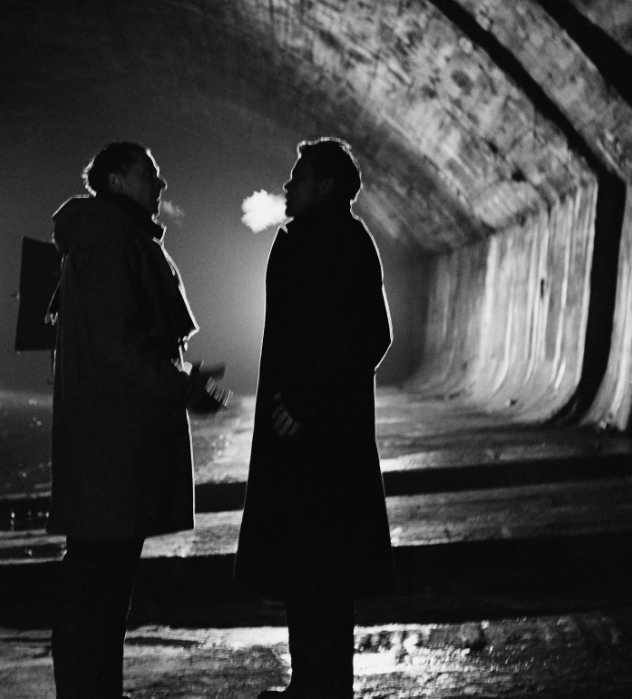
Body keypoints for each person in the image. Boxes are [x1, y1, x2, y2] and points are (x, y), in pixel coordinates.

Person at [47, 141, 222, 699]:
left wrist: (183, 376)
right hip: (111, 445)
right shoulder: (108, 236)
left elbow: (127, 338)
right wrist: (182, 386)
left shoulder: (114, 233)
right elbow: (119, 345)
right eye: (151, 173)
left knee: (101, 584)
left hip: (115, 441)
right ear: (118, 178)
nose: (160, 184)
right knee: (96, 586)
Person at [235, 138, 396, 699]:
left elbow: (364, 336)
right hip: (315, 432)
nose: (288, 185)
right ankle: (315, 684)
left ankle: (322, 688)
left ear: (326, 186)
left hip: (316, 437)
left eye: (299, 176)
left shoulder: (335, 243)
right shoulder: (327, 239)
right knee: (315, 572)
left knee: (318, 569)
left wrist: (302, 404)